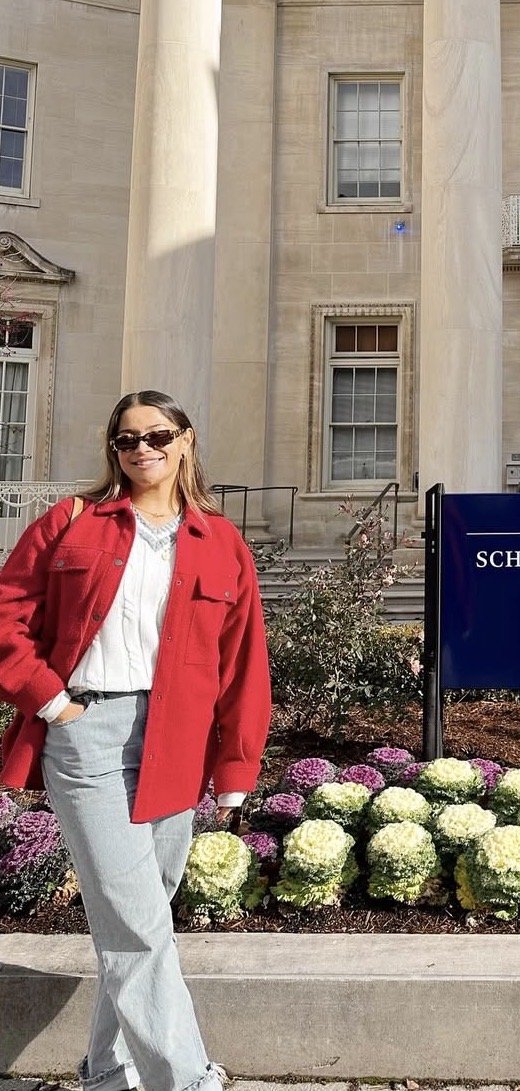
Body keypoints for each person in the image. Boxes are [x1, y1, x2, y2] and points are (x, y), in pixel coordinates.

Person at [0, 390, 271, 1091]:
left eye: (157, 435)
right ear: (112, 451)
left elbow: (243, 663)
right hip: (86, 735)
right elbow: (6, 616)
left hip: (177, 739)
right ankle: (185, 1080)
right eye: (126, 439)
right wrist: (52, 700)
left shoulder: (222, 541)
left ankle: (106, 1070)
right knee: (135, 924)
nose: (142, 448)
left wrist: (235, 767)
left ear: (185, 440)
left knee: (145, 911)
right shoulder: (72, 523)